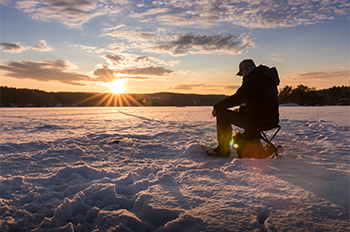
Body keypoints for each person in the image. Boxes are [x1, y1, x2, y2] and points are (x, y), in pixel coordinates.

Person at [208, 59, 280, 157]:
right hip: (270, 119)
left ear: (245, 70)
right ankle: (249, 144)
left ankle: (223, 149)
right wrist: (239, 110)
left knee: (222, 114)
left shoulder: (254, 78)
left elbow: (238, 98)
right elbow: (256, 103)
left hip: (257, 120)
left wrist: (217, 106)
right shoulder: (265, 78)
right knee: (238, 113)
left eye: (241, 74)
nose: (242, 77)